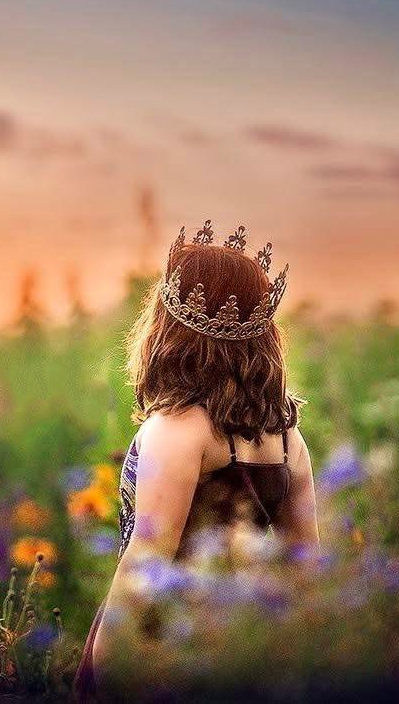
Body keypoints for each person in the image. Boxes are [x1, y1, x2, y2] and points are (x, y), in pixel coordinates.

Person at [75, 220, 319, 698]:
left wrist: (101, 676)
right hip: (248, 656)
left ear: (166, 330)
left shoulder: (176, 432)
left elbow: (145, 570)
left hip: (168, 657)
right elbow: (307, 579)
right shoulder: (288, 438)